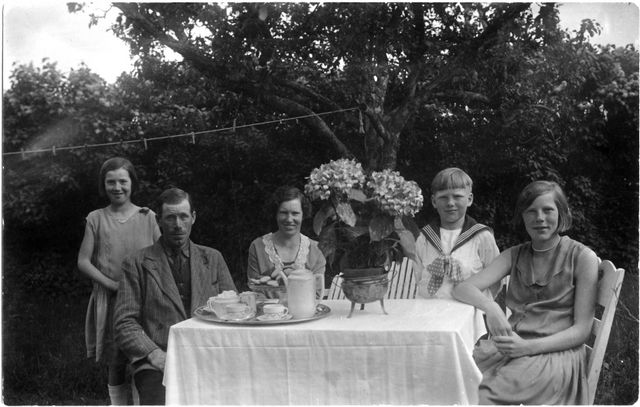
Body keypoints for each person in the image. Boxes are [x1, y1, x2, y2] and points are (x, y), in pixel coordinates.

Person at [453, 180, 598, 404]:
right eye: (531, 211)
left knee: (484, 394)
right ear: (522, 217)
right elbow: (463, 288)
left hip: (553, 353)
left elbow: (581, 331)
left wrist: (528, 347)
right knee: (457, 377)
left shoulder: (581, 257)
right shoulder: (515, 254)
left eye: (548, 210)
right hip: (513, 346)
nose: (539, 218)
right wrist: (491, 307)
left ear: (561, 213)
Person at [114, 187, 236, 405]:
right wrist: (154, 355)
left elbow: (234, 310)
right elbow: (124, 323)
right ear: (159, 220)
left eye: (183, 216)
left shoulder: (213, 259)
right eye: (170, 217)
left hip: (208, 355)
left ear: (193, 218)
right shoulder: (136, 263)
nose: (178, 225)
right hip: (157, 361)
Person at [77, 157, 161, 405]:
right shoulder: (96, 218)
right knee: (116, 358)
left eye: (123, 181)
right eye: (110, 182)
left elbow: (163, 255)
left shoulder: (148, 217)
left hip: (145, 298)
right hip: (112, 297)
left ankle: (140, 400)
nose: (117, 187)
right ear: (104, 185)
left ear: (132, 183)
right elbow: (83, 261)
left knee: (144, 354)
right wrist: (111, 285)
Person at [414, 168, 500, 299]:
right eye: (443, 197)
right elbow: (418, 276)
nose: (450, 203)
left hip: (469, 313)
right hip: (430, 313)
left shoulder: (482, 237)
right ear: (433, 201)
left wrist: (478, 309)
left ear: (469, 199)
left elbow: (495, 280)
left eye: (457, 196)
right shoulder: (424, 238)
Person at [247, 186, 325, 295]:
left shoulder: (316, 249)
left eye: (295, 213)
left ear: (303, 215)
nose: (289, 219)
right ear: (276, 214)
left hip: (304, 310)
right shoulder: (257, 246)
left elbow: (317, 294)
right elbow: (255, 291)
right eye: (283, 212)